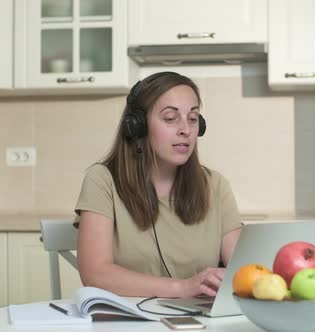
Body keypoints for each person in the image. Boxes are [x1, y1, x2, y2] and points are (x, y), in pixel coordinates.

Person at [74, 71, 242, 298]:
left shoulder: (215, 185)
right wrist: (183, 288)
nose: (186, 129)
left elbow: (243, 269)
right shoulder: (102, 180)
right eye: (171, 118)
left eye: (193, 119)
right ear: (138, 126)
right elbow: (95, 274)